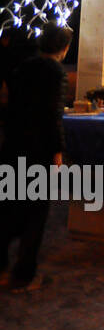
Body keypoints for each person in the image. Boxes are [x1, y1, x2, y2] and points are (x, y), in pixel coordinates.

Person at [0, 24, 73, 291]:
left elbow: (10, 105)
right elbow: (52, 116)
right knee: (36, 214)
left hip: (13, 146)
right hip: (38, 150)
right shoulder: (55, 72)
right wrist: (57, 151)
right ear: (64, 48)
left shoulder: (23, 67)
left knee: (9, 207)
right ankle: (23, 274)